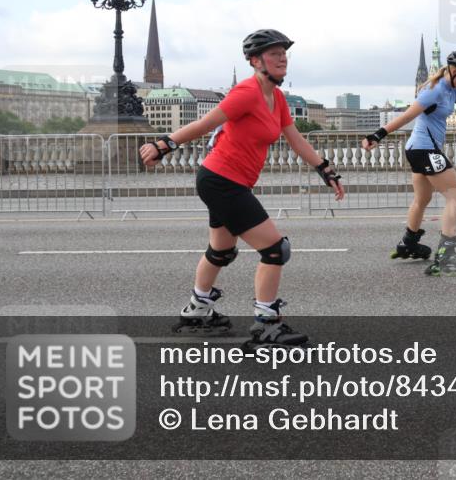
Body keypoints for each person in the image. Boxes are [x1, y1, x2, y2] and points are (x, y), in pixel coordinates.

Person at [139, 29, 344, 346]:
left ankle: (196, 310)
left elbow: (295, 138)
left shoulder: (276, 98)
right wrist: (165, 143)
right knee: (276, 249)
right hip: (222, 181)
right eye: (274, 53)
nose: (282, 58)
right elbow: (207, 122)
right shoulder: (247, 92)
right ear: (255, 60)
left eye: (284, 53)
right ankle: (266, 324)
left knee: (221, 251)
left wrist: (323, 168)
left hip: (224, 180)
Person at [362, 50, 456, 276]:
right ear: (454, 71)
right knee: (455, 195)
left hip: (419, 149)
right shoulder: (435, 91)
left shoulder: (455, 90)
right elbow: (407, 116)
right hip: (424, 148)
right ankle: (447, 255)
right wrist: (377, 135)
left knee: (422, 199)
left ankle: (408, 243)